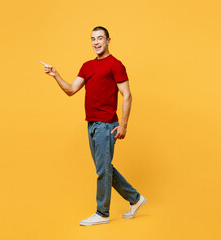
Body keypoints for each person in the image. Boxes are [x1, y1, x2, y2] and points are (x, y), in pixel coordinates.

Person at [40, 26, 146, 226]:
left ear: (108, 40)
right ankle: (135, 199)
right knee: (104, 168)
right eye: (92, 39)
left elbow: (128, 95)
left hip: (107, 125)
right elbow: (71, 89)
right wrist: (55, 74)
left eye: (100, 38)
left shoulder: (115, 65)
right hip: (92, 125)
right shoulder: (87, 66)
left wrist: (123, 125)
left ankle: (102, 213)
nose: (96, 42)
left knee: (103, 170)